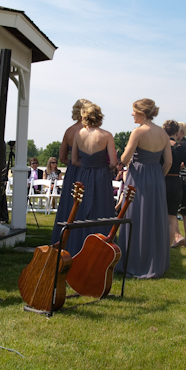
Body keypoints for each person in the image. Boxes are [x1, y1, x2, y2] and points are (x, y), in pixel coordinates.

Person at [117, 98, 171, 279]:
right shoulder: (163, 134)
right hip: (156, 176)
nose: (132, 114)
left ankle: (134, 262)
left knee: (135, 217)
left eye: (134, 111)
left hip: (138, 177)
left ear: (141, 113)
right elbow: (169, 162)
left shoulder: (138, 132)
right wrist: (158, 177)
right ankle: (155, 262)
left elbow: (124, 159)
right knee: (154, 219)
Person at [58, 101, 119, 255]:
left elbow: (74, 161)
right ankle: (103, 249)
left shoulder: (78, 135)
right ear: (99, 117)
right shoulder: (107, 135)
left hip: (83, 174)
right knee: (102, 210)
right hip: (102, 176)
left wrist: (86, 166)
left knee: (80, 210)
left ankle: (77, 247)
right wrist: (105, 168)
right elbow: (113, 162)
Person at [52, 99, 91, 242]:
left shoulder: (69, 131)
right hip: (87, 172)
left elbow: (62, 157)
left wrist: (73, 165)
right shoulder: (89, 131)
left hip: (72, 173)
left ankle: (66, 240)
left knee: (70, 206)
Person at [164, 121, 186, 248]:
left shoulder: (164, 145)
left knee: (166, 214)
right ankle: (177, 241)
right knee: (173, 215)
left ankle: (172, 241)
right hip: (177, 181)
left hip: (165, 180)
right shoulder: (182, 147)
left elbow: (166, 163)